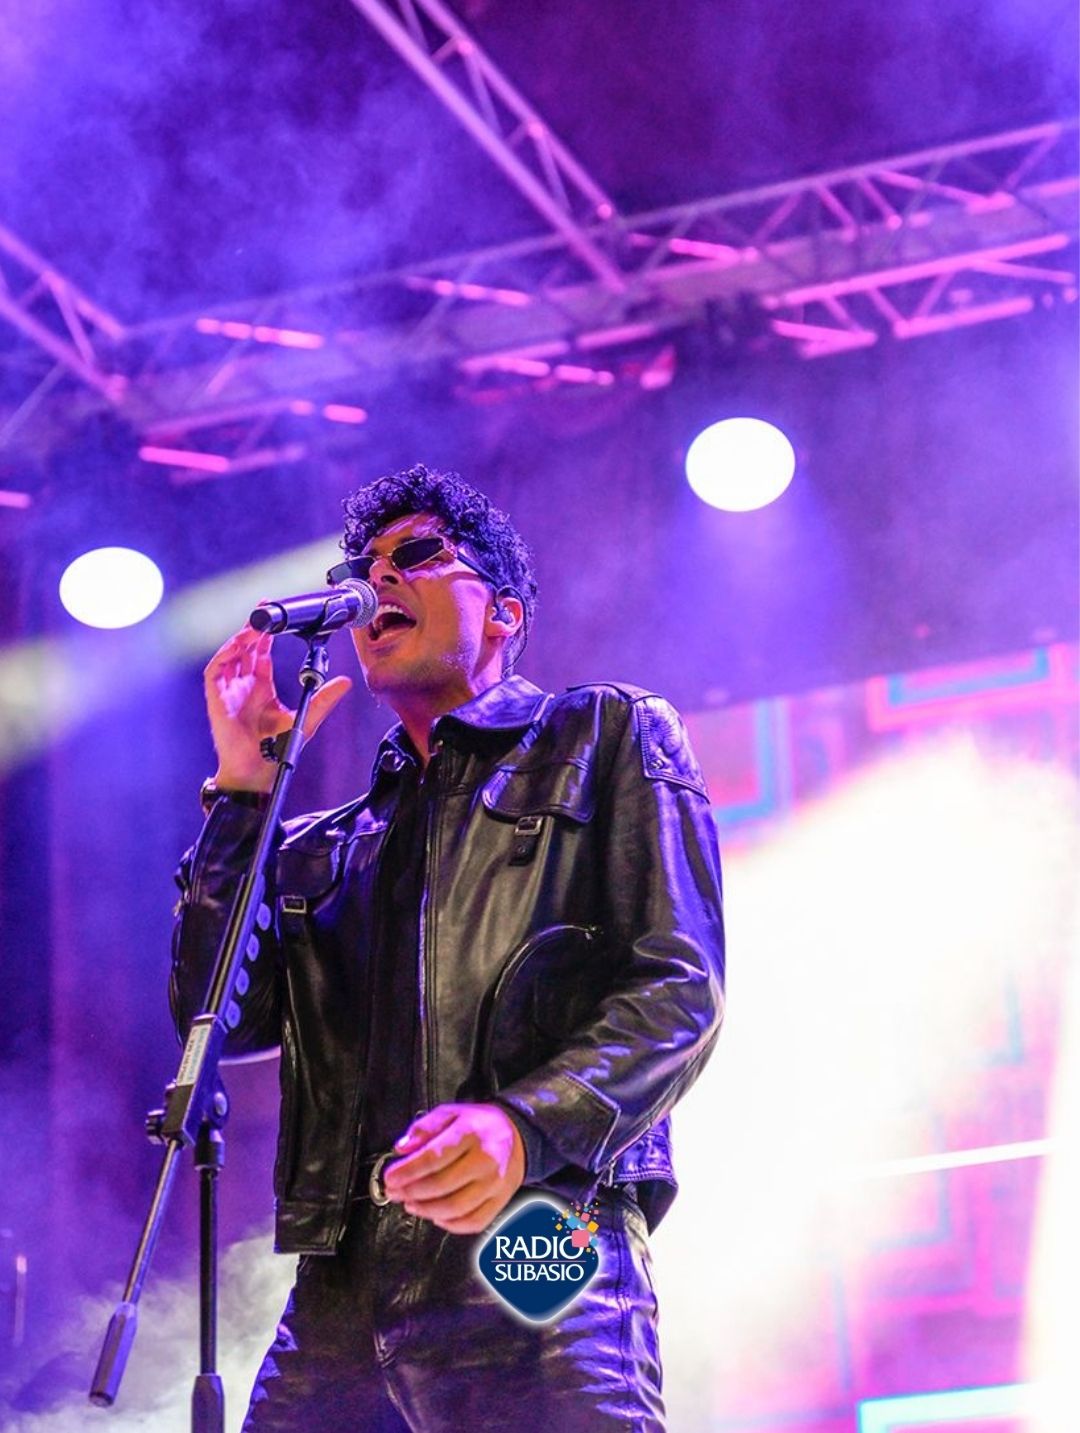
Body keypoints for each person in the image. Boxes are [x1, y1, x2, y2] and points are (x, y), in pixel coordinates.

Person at [171, 463, 725, 1432]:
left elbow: (679, 985)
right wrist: (243, 792)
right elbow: (219, 1019)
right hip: (343, 1280)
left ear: (503, 613)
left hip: (538, 1227)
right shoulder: (326, 845)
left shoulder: (604, 733)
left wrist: (525, 1124)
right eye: (362, 567)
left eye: (418, 554)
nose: (377, 577)